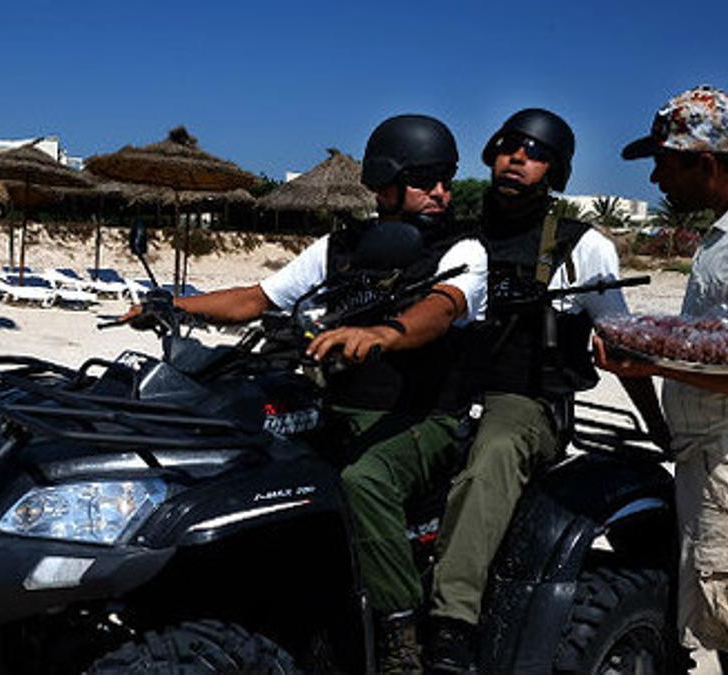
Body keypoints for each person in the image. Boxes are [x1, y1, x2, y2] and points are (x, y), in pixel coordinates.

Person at [124, 114, 487, 672]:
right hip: (331, 406)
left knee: (363, 480)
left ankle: (398, 636)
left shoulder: (464, 252)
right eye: (426, 179)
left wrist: (384, 334)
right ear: (385, 184)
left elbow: (440, 310)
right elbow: (256, 298)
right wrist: (173, 306)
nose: (441, 191)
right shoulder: (340, 247)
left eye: (446, 178)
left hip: (419, 418)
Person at [425, 108, 670, 673]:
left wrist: (659, 428)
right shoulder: (456, 234)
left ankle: (451, 625)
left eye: (536, 154)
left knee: (493, 457)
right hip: (447, 392)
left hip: (526, 402)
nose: (518, 158)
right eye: (510, 146)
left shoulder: (582, 247)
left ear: (554, 172)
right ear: (491, 153)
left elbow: (622, 346)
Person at [598, 85, 728, 675]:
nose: (656, 180)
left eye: (664, 163)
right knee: (727, 623)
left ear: (706, 162)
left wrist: (653, 364)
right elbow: (725, 338)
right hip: (715, 461)